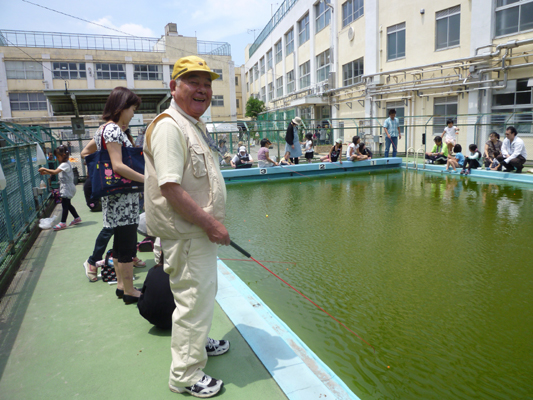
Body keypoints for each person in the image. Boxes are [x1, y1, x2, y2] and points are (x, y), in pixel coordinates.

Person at [143, 55, 230, 398]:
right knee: (193, 300)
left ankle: (197, 344)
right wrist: (211, 224)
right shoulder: (169, 126)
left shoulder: (192, 123)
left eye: (207, 84)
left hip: (197, 232)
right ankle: (185, 375)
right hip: (190, 233)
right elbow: (170, 187)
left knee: (201, 295)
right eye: (193, 82)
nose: (203, 90)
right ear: (173, 87)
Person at [80, 87, 144, 300]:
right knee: (126, 246)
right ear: (122, 106)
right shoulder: (114, 130)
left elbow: (85, 153)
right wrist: (148, 180)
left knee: (119, 245)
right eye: (132, 108)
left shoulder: (103, 130)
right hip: (124, 199)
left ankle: (120, 287)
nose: (133, 113)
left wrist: (102, 164)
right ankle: (129, 291)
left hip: (113, 198)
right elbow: (117, 166)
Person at [38, 145, 81, 231]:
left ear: (64, 155)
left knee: (65, 205)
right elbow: (56, 172)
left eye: (58, 157)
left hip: (67, 187)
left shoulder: (65, 164)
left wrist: (44, 169)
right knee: (68, 204)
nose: (57, 158)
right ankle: (77, 217)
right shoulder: (65, 163)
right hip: (68, 186)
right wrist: (46, 173)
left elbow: (54, 172)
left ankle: (63, 223)